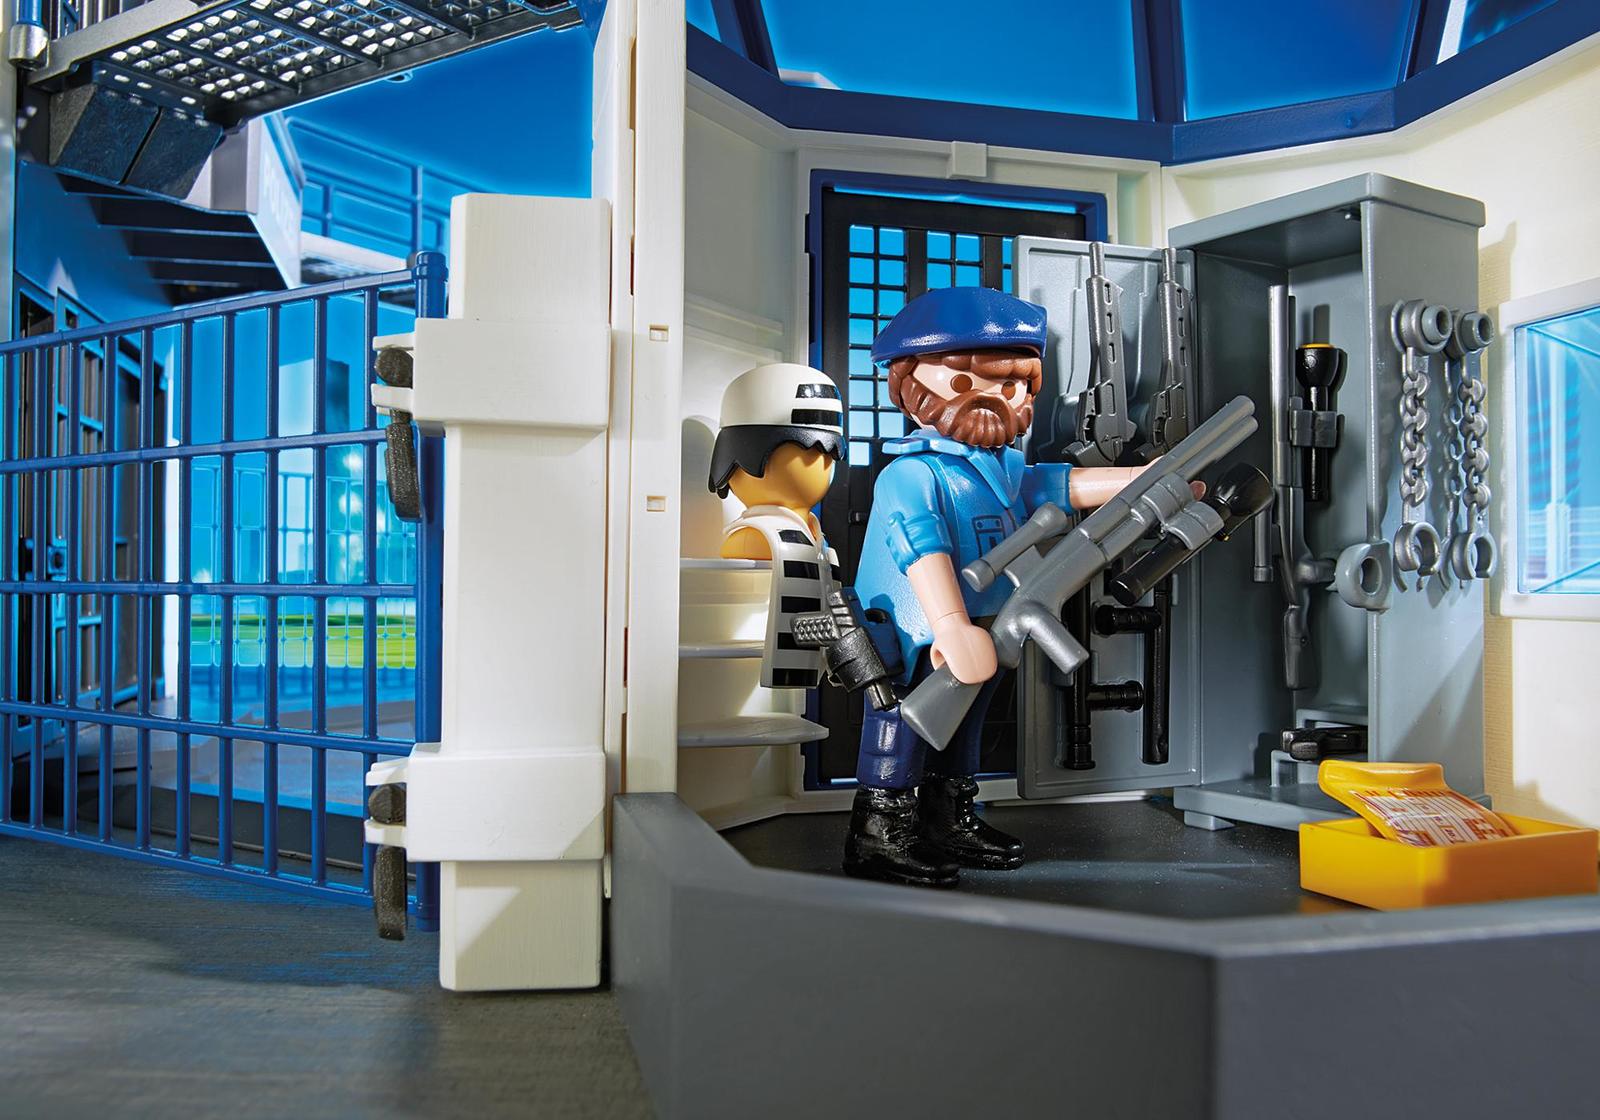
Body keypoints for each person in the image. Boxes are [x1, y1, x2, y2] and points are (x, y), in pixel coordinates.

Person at [847, 287, 1165, 888]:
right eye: (965, 381)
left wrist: (1149, 479)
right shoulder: (911, 473)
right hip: (915, 633)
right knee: (902, 722)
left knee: (965, 725)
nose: (997, 396)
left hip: (986, 626)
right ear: (910, 383)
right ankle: (879, 834)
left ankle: (947, 818)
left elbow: (1068, 486)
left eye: (1016, 385)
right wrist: (949, 627)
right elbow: (921, 549)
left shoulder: (1004, 470)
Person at [709, 363, 844, 689]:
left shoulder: (814, 534)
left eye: (828, 454)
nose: (822, 463)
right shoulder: (757, 536)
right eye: (810, 452)